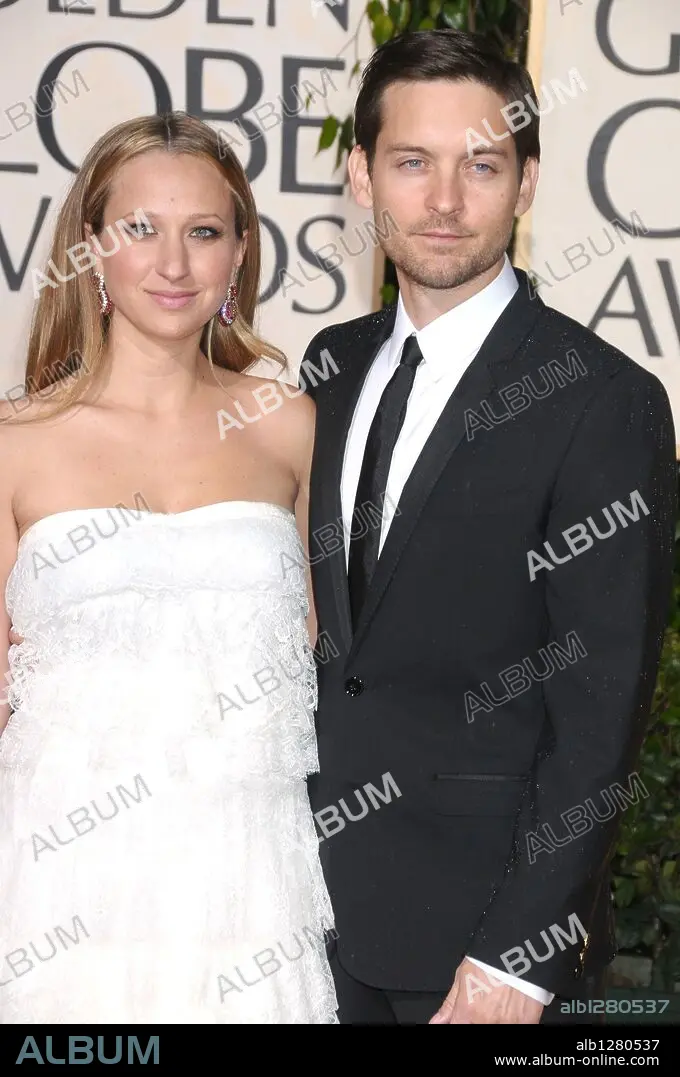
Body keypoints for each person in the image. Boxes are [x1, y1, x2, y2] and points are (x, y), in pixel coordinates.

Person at [301, 29, 677, 1025]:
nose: (442, 200)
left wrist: (515, 962)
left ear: (524, 182)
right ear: (359, 174)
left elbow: (599, 717)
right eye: (411, 162)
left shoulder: (601, 400)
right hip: (300, 917)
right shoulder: (326, 368)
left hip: (476, 952)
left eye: (480, 165)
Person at [0, 112, 337, 1024]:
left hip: (250, 887)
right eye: (140, 230)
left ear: (239, 255)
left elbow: (330, 664)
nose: (173, 264)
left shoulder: (290, 426)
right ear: (90, 248)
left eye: (204, 232)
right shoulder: (16, 444)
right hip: (57, 889)